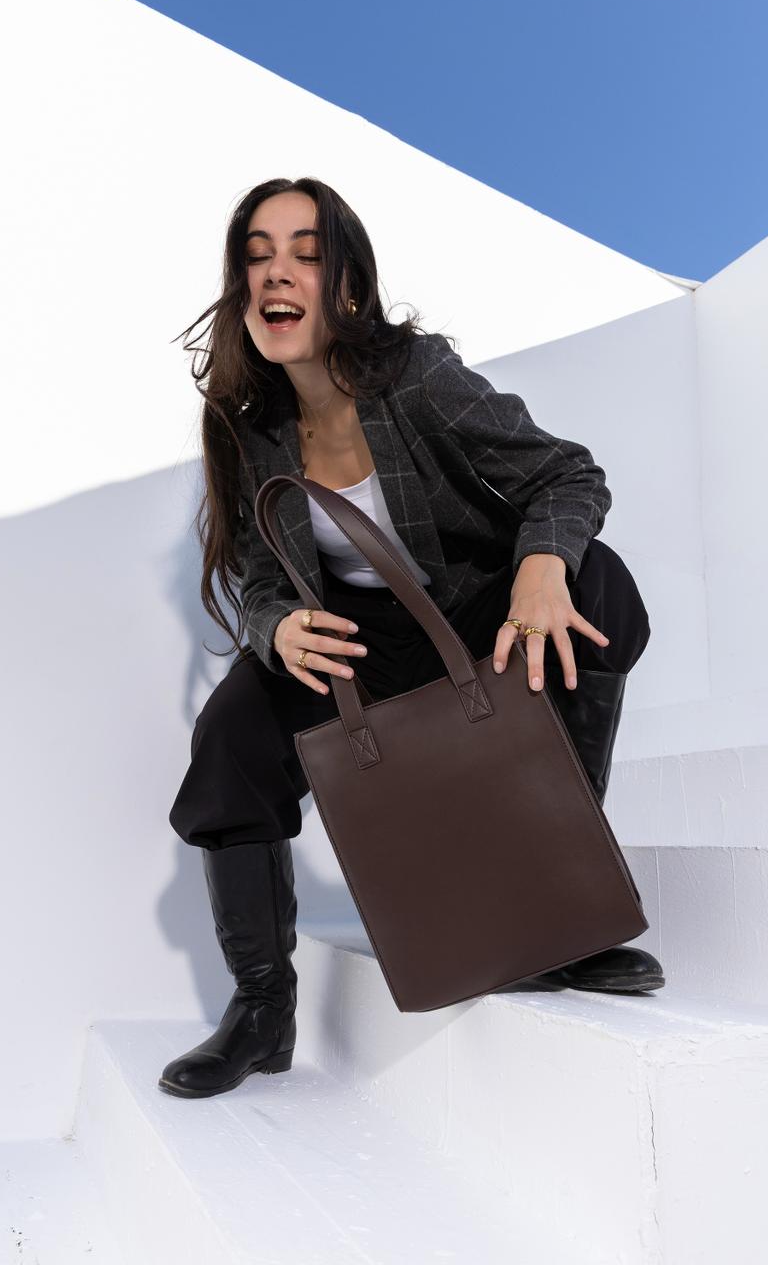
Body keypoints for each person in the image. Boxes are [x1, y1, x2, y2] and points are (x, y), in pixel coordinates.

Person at [158, 176, 662, 1100]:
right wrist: (277, 627)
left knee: (598, 584)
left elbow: (567, 475)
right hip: (355, 648)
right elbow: (258, 576)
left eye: (306, 254)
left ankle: (561, 912)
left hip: (470, 618)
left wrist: (540, 568)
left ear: (347, 284)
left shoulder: (416, 376)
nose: (278, 274)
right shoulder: (243, 427)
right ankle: (262, 1010)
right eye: (257, 257)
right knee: (230, 736)